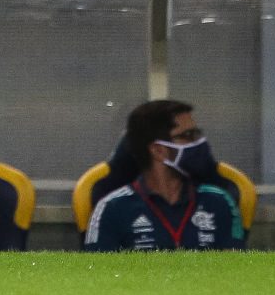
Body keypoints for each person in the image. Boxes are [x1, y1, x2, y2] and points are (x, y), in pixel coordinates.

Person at [84, 100, 246, 252]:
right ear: (158, 151)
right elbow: (99, 278)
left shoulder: (219, 203)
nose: (199, 143)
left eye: (197, 134)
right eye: (188, 136)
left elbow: (236, 275)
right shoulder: (112, 209)